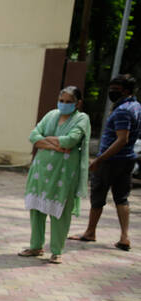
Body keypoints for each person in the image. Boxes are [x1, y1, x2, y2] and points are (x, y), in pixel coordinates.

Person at [19, 87, 91, 264]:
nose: (64, 105)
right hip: (40, 171)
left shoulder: (82, 118)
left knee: (61, 211)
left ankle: (57, 250)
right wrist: (56, 145)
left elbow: (71, 140)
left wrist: (46, 139)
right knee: (36, 210)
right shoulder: (51, 115)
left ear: (77, 103)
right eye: (62, 101)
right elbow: (33, 136)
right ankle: (36, 246)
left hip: (64, 173)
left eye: (68, 102)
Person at [69, 74, 140, 251]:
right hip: (127, 159)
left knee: (98, 195)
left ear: (125, 90)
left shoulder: (123, 110)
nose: (111, 91)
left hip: (111, 161)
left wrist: (100, 160)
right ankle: (124, 236)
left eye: (115, 88)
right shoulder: (136, 105)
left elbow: (122, 139)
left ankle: (91, 232)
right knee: (122, 197)